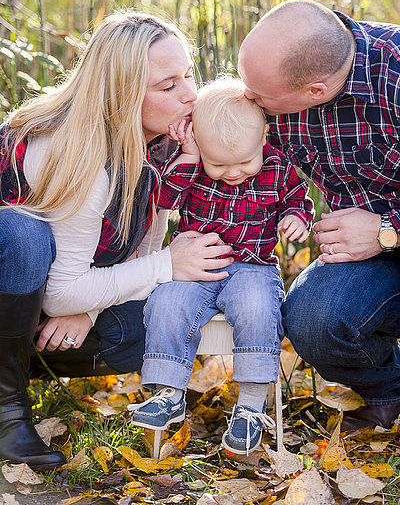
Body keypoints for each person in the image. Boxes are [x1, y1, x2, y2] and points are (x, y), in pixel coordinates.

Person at [0, 11, 235, 470]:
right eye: (168, 86)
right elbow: (60, 287)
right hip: (18, 279)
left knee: (160, 323)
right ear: (121, 96)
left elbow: (141, 245)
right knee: (22, 235)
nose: (190, 95)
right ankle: (7, 410)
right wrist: (168, 265)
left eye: (188, 75)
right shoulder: (71, 148)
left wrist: (88, 308)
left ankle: (21, 362)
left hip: (44, 303)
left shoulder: (165, 141)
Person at [238, 0, 400, 431]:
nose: (247, 98)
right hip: (372, 258)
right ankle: (388, 392)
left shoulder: (394, 72)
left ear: (317, 90)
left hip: (386, 237)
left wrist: (389, 231)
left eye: (258, 94)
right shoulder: (277, 92)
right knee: (312, 319)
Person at [129, 79, 314, 454]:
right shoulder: (193, 162)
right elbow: (163, 197)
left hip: (252, 266)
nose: (233, 173)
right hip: (194, 266)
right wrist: (191, 157)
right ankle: (168, 394)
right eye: (219, 165)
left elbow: (298, 197)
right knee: (167, 302)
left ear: (264, 137)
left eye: (245, 163)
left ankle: (250, 405)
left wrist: (296, 216)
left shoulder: (277, 166)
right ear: (199, 143)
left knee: (258, 307)